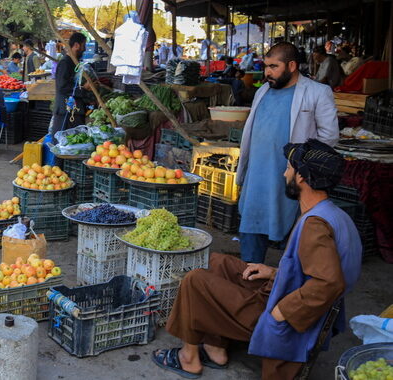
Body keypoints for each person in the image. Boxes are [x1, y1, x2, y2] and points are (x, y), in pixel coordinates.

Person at [152, 139, 362, 380]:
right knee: (218, 262)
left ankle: (189, 358)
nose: (285, 174)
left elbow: (329, 283)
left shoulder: (316, 225)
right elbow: (315, 269)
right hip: (282, 290)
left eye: (289, 169)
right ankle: (215, 348)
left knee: (195, 280)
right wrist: (274, 272)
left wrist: (281, 312)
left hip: (279, 310)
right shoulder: (333, 213)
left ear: (302, 178)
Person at [236, 42, 339, 264]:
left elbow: (329, 137)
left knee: (294, 241)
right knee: (251, 230)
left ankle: (286, 286)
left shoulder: (317, 92)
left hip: (293, 179)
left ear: (292, 65)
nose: (267, 72)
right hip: (257, 178)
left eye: (274, 66)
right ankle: (249, 280)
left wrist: (302, 162)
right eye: (266, 66)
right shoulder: (262, 91)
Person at [50, 32, 88, 139]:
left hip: (73, 111)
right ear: (76, 45)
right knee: (63, 145)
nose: (84, 49)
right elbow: (63, 86)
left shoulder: (74, 63)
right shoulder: (65, 63)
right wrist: (83, 88)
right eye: (83, 45)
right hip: (66, 112)